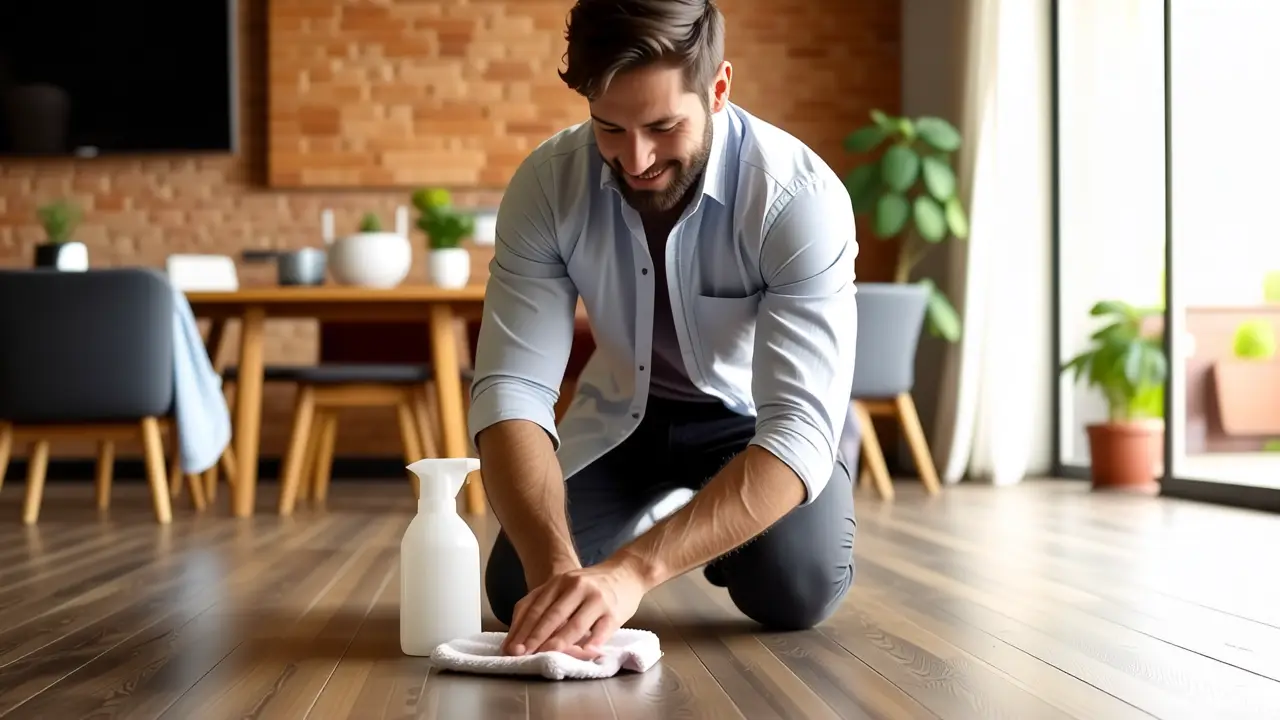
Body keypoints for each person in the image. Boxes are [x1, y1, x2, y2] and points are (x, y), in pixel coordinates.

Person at [467, 0, 861, 660]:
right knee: (521, 591)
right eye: (609, 128)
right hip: (625, 416)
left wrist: (631, 573)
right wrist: (557, 569)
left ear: (718, 89)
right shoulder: (547, 185)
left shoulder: (798, 199)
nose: (636, 158)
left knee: (794, 588)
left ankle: (705, 535)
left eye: (663, 126)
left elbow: (796, 427)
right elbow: (512, 388)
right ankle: (683, 529)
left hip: (755, 424)